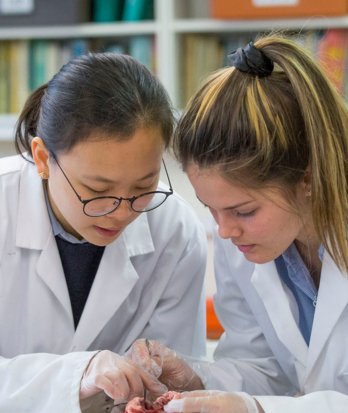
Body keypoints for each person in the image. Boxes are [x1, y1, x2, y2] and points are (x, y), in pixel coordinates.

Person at [128, 34, 348, 413]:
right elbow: (264, 368)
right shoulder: (244, 243)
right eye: (211, 209)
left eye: (243, 211)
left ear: (307, 179)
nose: (225, 232)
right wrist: (197, 381)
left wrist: (258, 410)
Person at [0, 52, 207, 412]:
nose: (124, 212)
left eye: (144, 186)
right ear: (43, 158)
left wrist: (164, 390)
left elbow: (176, 379)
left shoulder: (174, 231)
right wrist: (76, 374)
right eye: (97, 191)